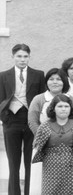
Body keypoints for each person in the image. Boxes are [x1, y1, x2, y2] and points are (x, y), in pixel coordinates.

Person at [0, 43, 45, 195]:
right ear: (12, 57)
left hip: (31, 120)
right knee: (13, 162)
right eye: (19, 56)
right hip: (11, 120)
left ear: (29, 57)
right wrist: (4, 118)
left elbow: (41, 99)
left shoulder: (38, 74)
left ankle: (29, 192)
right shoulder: (3, 75)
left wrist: (38, 120)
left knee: (30, 161)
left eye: (25, 56)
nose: (22, 59)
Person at [27, 68, 73, 195]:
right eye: (51, 79)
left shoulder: (72, 100)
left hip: (67, 149)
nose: (55, 82)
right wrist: (44, 139)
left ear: (64, 82)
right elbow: (32, 121)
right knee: (40, 182)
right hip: (43, 146)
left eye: (59, 79)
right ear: (47, 82)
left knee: (66, 183)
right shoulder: (38, 99)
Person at [32, 94, 73, 195]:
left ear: (71, 108)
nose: (63, 109)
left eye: (66, 106)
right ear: (53, 109)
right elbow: (37, 145)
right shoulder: (44, 126)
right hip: (51, 166)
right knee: (51, 191)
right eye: (60, 106)